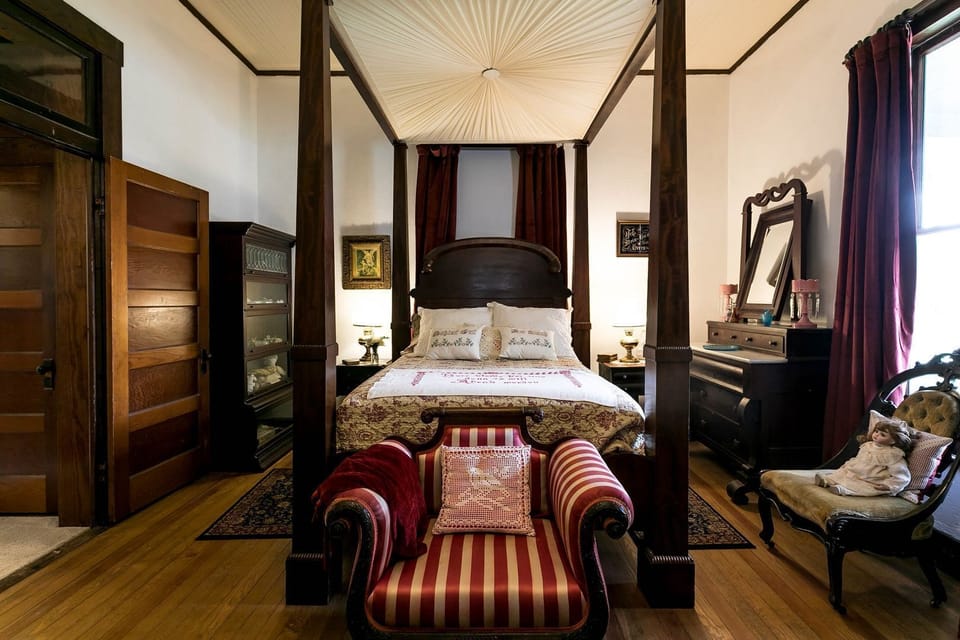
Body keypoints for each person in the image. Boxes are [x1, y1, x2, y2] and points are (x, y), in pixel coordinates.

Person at [815, 418, 913, 496]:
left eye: (882, 435)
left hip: (872, 480)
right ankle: (827, 481)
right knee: (841, 474)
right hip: (857, 472)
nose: (876, 435)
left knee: (864, 488)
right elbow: (859, 459)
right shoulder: (868, 445)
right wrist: (849, 465)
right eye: (876, 431)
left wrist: (889, 485)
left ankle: (843, 490)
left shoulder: (893, 455)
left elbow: (901, 475)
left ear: (893, 441)